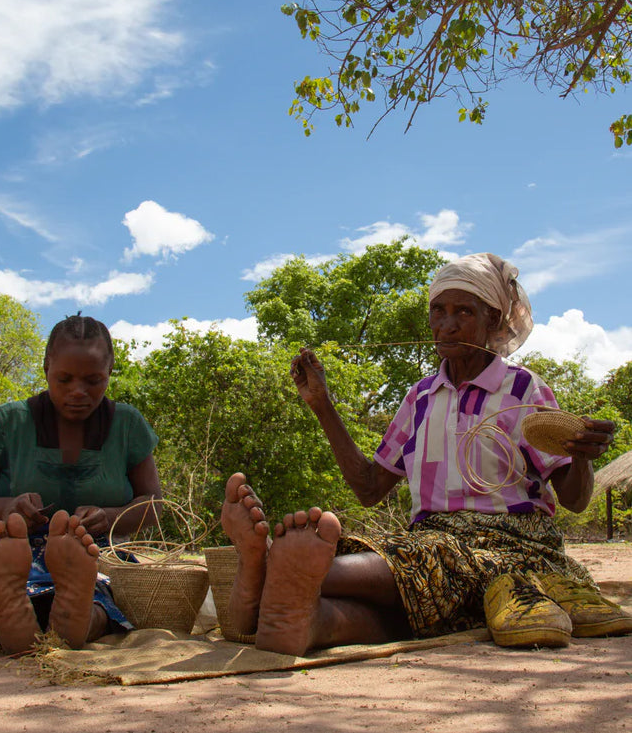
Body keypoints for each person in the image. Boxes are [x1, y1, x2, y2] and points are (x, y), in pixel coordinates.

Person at [221, 253, 632, 656]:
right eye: (438, 311)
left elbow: (575, 501)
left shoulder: (524, 391)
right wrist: (322, 405)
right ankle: (311, 624)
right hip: (431, 543)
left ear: (493, 320)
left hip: (513, 549)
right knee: (414, 592)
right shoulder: (420, 397)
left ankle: (272, 572)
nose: (447, 325)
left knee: (430, 566)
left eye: (464, 313)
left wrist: (581, 455)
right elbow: (368, 488)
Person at [0, 315, 162, 655]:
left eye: (94, 380)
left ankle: (67, 615)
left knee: (100, 590)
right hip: (15, 555)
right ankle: (10, 615)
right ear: (46, 366)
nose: (78, 392)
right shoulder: (8, 422)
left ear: (110, 372)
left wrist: (110, 517)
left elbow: (153, 505)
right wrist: (6, 508)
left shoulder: (127, 424)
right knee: (9, 592)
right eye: (64, 379)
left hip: (96, 554)